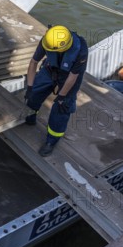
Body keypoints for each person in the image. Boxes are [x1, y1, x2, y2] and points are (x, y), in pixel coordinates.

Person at [24, 25, 88, 157]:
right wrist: (29, 87)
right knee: (35, 92)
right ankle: (30, 116)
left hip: (69, 75)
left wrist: (61, 96)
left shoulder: (81, 49)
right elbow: (33, 62)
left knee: (62, 107)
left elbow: (73, 77)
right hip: (50, 68)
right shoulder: (48, 40)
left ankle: (51, 141)